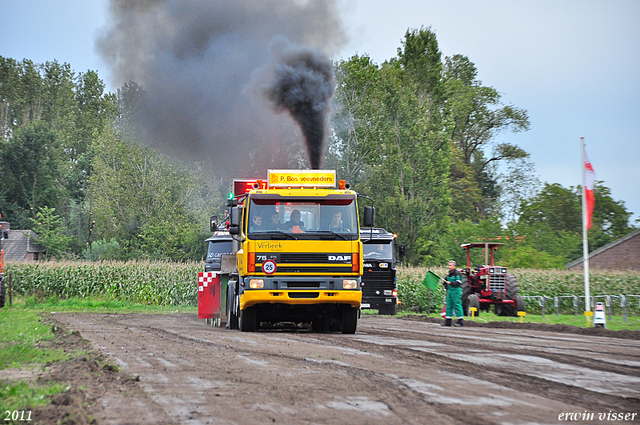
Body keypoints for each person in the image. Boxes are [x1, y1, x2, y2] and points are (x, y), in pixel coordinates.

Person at [442, 260, 464, 327]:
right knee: (448, 306)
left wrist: (451, 283)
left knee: (457, 305)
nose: (449, 267)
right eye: (449, 265)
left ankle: (460, 321)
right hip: (449, 292)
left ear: (454, 266)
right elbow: (444, 283)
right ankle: (448, 321)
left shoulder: (457, 274)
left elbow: (458, 282)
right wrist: (447, 287)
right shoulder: (448, 274)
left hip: (456, 291)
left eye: (451, 265)